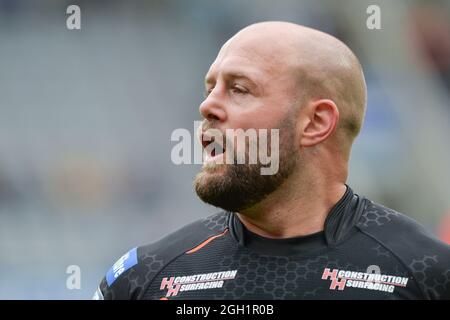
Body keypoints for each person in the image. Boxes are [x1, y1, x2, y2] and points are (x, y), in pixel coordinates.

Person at [93, 21, 450, 300]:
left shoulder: (430, 275)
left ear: (316, 123)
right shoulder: (144, 279)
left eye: (239, 89)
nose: (207, 106)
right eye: (210, 89)